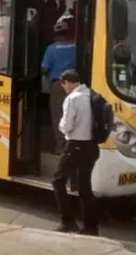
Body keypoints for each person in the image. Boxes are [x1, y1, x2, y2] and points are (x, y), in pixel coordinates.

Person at [51, 70, 100, 236]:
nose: (64, 88)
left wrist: (60, 126)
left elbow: (67, 126)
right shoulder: (91, 94)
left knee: (58, 181)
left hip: (75, 146)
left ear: (68, 82)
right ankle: (91, 227)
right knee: (85, 187)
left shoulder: (72, 99)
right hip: (92, 147)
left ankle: (68, 222)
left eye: (63, 84)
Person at [41, 14, 76, 154]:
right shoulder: (75, 46)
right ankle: (73, 145)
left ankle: (61, 147)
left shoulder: (52, 48)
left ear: (55, 34)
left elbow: (44, 68)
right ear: (67, 33)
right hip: (75, 85)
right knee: (73, 115)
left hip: (58, 85)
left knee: (58, 116)